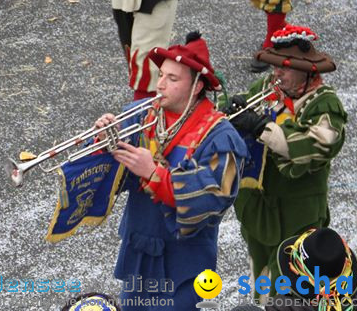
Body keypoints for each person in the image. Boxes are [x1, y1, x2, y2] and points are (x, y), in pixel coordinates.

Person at [93, 32, 247, 310]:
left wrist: (154, 174)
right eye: (161, 75)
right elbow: (110, 174)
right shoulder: (140, 114)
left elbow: (216, 197)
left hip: (184, 259)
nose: (160, 85)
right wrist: (106, 139)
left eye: (172, 79)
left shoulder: (221, 136)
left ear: (197, 86)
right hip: (139, 248)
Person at [225, 24, 346, 284]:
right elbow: (240, 115)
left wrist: (261, 127)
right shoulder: (267, 87)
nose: (276, 73)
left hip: (299, 211)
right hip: (258, 207)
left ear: (306, 70)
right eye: (274, 65)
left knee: (292, 281)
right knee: (261, 277)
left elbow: (317, 146)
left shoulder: (326, 104)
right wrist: (229, 110)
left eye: (284, 67)